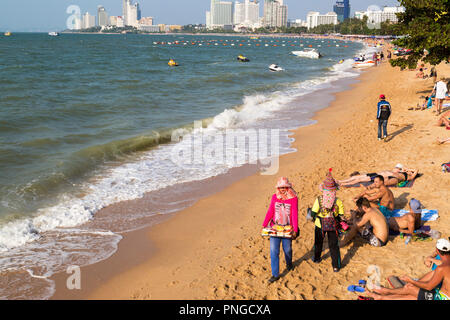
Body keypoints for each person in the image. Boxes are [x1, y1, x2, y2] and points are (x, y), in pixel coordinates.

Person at [365, 238, 450, 300]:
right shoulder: (444, 265)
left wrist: (411, 281)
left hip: (441, 298)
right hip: (442, 294)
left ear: (438, 251)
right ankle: (381, 297)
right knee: (413, 294)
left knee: (411, 289)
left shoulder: (442, 268)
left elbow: (428, 287)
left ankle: (385, 292)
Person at [262, 177, 299, 284]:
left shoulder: (294, 198)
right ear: (278, 187)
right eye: (281, 187)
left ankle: (289, 264)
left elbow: (294, 214)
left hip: (287, 229)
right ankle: (275, 274)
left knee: (287, 250)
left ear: (288, 187)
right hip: (275, 228)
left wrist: (295, 229)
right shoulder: (274, 197)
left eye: (285, 187)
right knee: (274, 251)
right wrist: (264, 224)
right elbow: (270, 211)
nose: (283, 189)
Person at [310, 170, 344, 272]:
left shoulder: (319, 199)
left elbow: (313, 212)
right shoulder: (337, 201)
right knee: (334, 245)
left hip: (320, 224)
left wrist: (314, 217)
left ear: (323, 189)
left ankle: (317, 258)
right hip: (333, 224)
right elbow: (340, 215)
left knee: (318, 242)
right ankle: (336, 266)